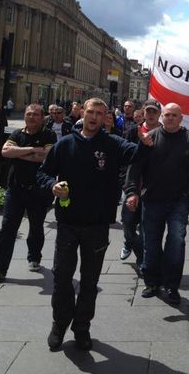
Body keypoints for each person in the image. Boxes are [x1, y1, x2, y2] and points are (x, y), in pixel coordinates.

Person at [36, 98, 151, 352]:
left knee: (89, 282)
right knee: (62, 279)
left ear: (105, 118)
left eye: (100, 113)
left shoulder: (112, 144)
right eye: (91, 112)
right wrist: (51, 186)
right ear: (83, 114)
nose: (94, 117)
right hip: (67, 223)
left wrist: (146, 142)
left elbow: (138, 154)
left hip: (98, 225)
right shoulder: (64, 145)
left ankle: (82, 328)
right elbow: (43, 173)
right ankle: (59, 325)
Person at [124, 102, 189, 305]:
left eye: (174, 115)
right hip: (152, 200)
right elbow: (135, 166)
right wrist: (132, 192)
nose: (170, 118)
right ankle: (151, 282)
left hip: (178, 202)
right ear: (162, 117)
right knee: (151, 242)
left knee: (176, 242)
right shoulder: (150, 138)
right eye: (167, 115)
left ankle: (172, 285)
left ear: (181, 118)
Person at [0, 104, 56, 279]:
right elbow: (6, 151)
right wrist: (32, 150)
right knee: (8, 227)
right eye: (28, 114)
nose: (31, 117)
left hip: (38, 190)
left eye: (36, 114)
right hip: (15, 189)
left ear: (42, 117)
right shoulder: (17, 134)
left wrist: (19, 153)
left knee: (36, 227)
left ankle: (34, 257)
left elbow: (47, 155)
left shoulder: (49, 134)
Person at [119, 99, 161, 263]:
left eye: (154, 111)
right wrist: (125, 182)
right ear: (143, 113)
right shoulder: (132, 132)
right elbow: (124, 159)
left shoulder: (163, 133)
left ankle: (142, 259)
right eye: (148, 111)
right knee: (127, 224)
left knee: (146, 230)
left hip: (152, 190)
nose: (150, 114)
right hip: (132, 187)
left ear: (159, 114)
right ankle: (130, 243)